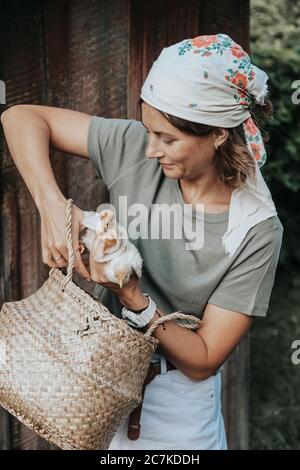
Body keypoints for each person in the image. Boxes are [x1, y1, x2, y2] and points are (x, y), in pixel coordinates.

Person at [1, 33, 283, 450]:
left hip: (178, 408)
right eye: (150, 131)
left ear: (219, 134)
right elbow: (20, 118)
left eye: (168, 139)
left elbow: (204, 358)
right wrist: (52, 206)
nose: (151, 150)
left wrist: (134, 297)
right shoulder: (136, 144)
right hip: (93, 382)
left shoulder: (257, 229)